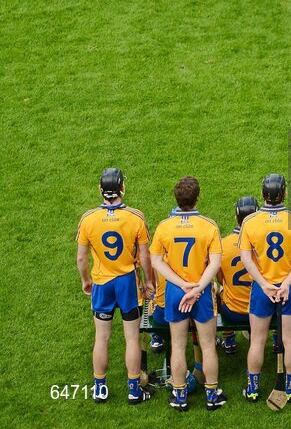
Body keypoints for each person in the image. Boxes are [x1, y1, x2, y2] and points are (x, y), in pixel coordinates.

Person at [75, 168, 153, 405]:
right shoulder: (135, 217)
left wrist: (85, 280)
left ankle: (100, 389)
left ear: (100, 190)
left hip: (102, 283)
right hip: (127, 282)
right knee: (132, 339)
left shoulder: (88, 219)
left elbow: (81, 258)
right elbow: (146, 257)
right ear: (122, 189)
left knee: (101, 338)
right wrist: (148, 281)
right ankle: (133, 390)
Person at [149, 177, 224, 412]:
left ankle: (179, 395)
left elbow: (156, 262)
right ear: (197, 198)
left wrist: (182, 285)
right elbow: (215, 263)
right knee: (208, 345)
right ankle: (212, 395)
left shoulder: (164, 227)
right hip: (200, 292)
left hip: (174, 292)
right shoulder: (208, 226)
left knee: (178, 346)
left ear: (176, 199)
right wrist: (198, 287)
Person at [239, 174, 291, 404]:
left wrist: (263, 284)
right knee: (290, 341)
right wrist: (288, 283)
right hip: (288, 289)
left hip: (263, 289)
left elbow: (246, 258)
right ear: (284, 194)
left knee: (257, 340)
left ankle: (252, 389)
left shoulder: (250, 222)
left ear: (263, 195)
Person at [218, 196, 259, 354]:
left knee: (216, 290)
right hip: (260, 310)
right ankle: (277, 338)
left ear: (236, 217)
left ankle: (229, 339)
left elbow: (221, 280)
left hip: (233, 312)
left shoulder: (223, 244)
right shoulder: (264, 244)